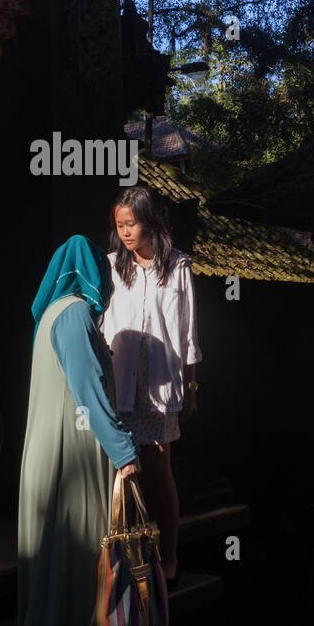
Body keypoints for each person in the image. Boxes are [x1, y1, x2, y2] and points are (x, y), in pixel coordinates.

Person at [13, 235, 141, 626]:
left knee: (89, 584)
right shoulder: (72, 317)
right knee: (74, 587)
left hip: (64, 459)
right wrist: (124, 451)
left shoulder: (53, 315)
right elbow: (89, 389)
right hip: (73, 462)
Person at [102, 187, 201, 588]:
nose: (125, 232)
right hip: (120, 378)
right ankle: (129, 557)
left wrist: (192, 384)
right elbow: (101, 322)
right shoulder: (110, 266)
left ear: (150, 222)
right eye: (120, 226)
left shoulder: (177, 267)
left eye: (132, 223)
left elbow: (189, 330)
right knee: (124, 470)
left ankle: (169, 555)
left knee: (159, 467)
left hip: (161, 381)